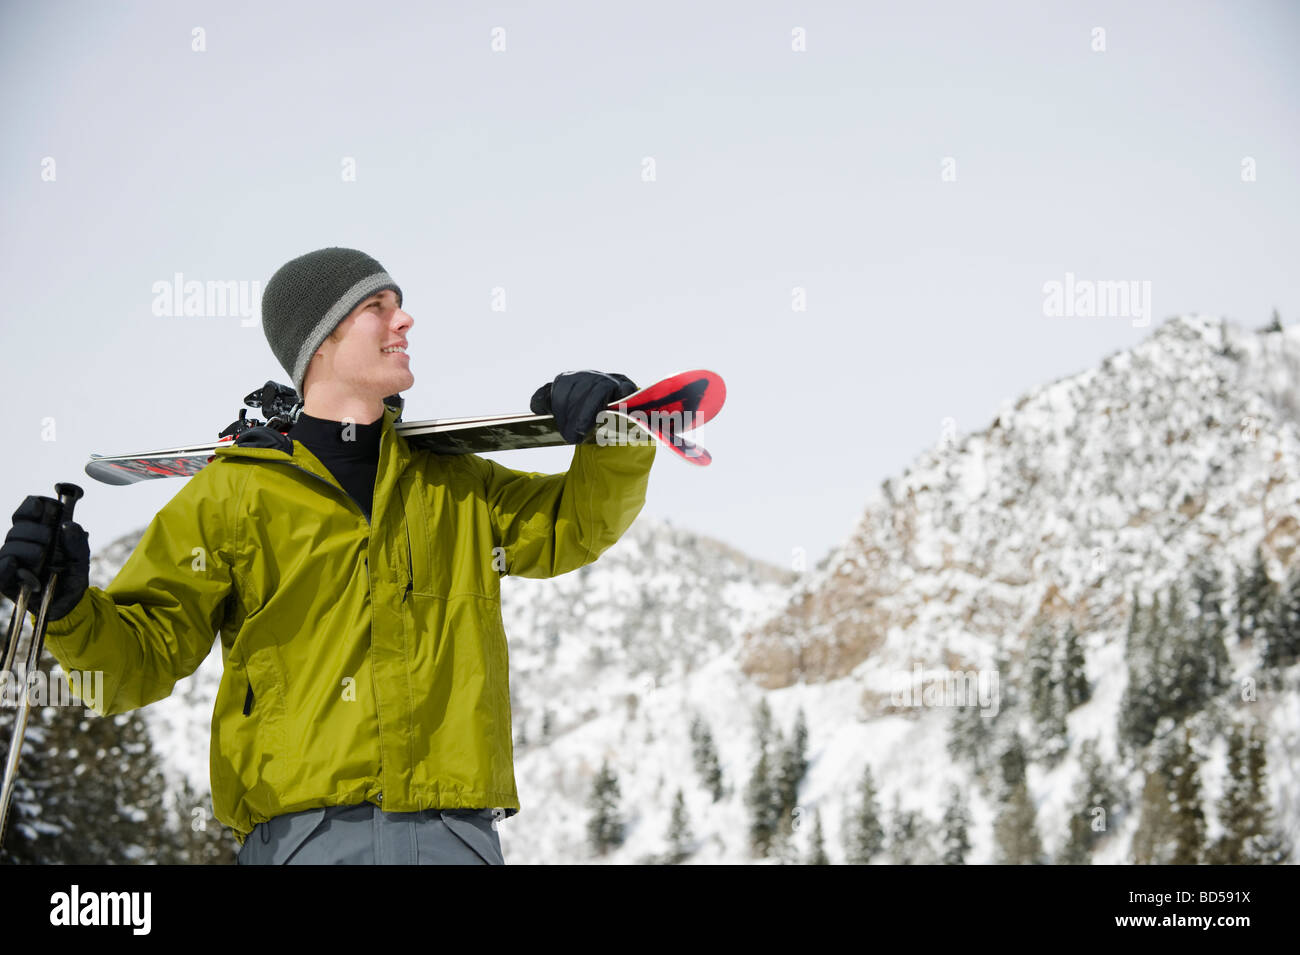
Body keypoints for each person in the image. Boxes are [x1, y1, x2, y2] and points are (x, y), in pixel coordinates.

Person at [0, 247, 656, 864]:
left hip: (453, 834)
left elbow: (575, 525)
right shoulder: (233, 495)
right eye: (378, 306)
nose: (405, 319)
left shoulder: (457, 485)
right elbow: (137, 661)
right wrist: (68, 606)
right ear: (319, 340)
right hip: (303, 837)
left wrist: (613, 430)